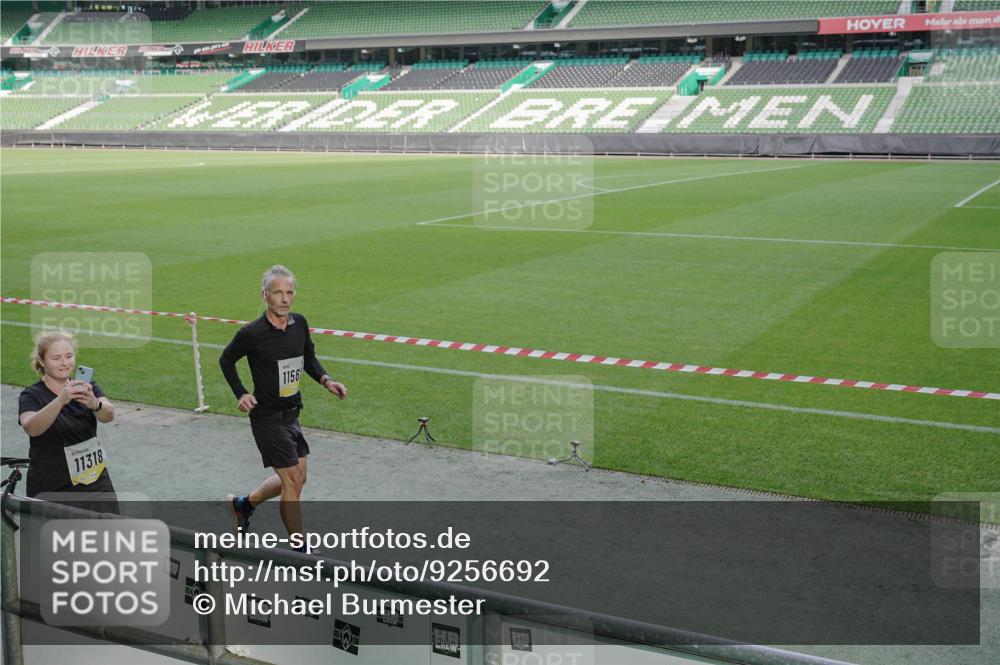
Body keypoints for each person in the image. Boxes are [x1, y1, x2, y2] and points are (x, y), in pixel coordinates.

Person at [219, 265, 347, 545]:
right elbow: (226, 359)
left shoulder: (299, 324)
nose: (285, 298)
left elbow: (308, 358)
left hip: (292, 413)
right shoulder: (252, 333)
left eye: (289, 292)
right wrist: (241, 393)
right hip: (266, 417)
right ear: (264, 295)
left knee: (298, 479)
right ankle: (299, 548)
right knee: (291, 482)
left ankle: (243, 505)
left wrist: (326, 380)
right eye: (278, 292)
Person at [17, 330, 118, 512]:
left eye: (69, 356)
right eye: (56, 358)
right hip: (53, 487)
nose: (64, 363)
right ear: (42, 361)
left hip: (96, 483)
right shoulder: (31, 395)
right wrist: (60, 400)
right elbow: (31, 427)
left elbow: (108, 414)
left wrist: (94, 403)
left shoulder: (88, 387)